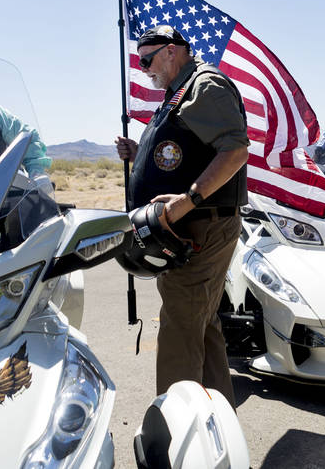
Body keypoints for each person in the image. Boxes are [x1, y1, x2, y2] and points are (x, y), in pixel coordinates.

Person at [114, 25, 248, 406]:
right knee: (200, 325)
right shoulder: (179, 92)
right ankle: (217, 421)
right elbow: (183, 152)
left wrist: (184, 202)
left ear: (172, 51)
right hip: (189, 227)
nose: (143, 69)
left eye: (147, 60)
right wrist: (139, 152)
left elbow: (235, 151)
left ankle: (176, 427)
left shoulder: (204, 85)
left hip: (201, 225)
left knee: (179, 328)